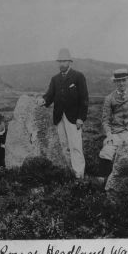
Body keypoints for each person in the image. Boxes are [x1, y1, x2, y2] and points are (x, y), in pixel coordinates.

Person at [37, 48, 89, 179]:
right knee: (64, 145)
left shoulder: (78, 76)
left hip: (74, 118)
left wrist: (81, 118)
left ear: (69, 62)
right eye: (60, 61)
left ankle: (79, 176)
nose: (61, 64)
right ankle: (70, 173)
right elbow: (50, 94)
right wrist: (43, 100)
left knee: (75, 146)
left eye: (64, 61)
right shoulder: (55, 79)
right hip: (59, 117)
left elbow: (84, 99)